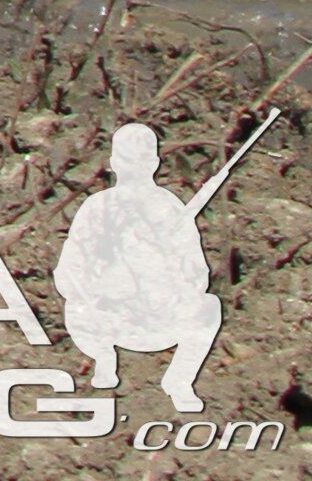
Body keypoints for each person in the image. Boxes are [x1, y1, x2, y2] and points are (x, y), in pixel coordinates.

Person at [55, 121, 228, 411]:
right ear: (113, 163)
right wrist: (104, 285)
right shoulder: (98, 208)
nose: (134, 167)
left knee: (209, 306)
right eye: (126, 159)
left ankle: (180, 381)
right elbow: (69, 270)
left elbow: (198, 272)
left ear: (154, 163)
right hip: (110, 319)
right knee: (76, 308)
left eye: (142, 159)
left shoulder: (170, 208)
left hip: (161, 319)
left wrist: (164, 276)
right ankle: (104, 360)